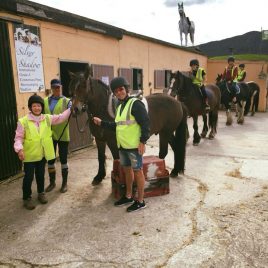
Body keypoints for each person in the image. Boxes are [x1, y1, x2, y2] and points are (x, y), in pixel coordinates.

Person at [93, 77, 150, 212]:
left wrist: (142, 141)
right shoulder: (119, 107)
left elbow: (146, 123)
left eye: (121, 89)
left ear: (126, 89)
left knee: (138, 172)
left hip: (134, 146)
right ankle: (129, 196)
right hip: (123, 146)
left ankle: (141, 201)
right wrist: (102, 123)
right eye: (116, 91)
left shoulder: (135, 104)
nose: (119, 92)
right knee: (127, 170)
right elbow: (117, 126)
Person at [14, 94, 71, 210]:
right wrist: (19, 149)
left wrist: (70, 108)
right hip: (29, 156)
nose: (37, 108)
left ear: (42, 107)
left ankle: (41, 193)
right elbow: (18, 138)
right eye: (34, 106)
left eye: (39, 106)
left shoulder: (47, 118)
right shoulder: (23, 121)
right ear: (30, 107)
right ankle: (27, 198)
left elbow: (60, 117)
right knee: (29, 177)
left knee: (40, 175)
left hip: (42, 155)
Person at [44, 79, 72, 194]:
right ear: (51, 88)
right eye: (54, 87)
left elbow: (73, 110)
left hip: (63, 135)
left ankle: (64, 183)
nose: (57, 89)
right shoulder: (45, 101)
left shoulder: (67, 101)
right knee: (50, 159)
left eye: (58, 87)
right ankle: (52, 182)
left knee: (64, 159)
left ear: (61, 87)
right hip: (49, 135)